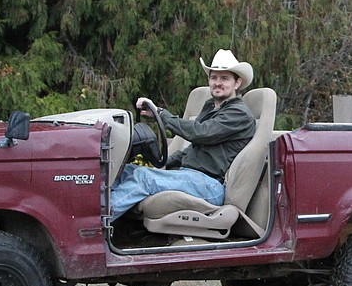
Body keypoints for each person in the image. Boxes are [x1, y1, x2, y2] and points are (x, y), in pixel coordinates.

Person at [108, 49, 257, 220]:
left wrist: (162, 114)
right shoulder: (211, 107)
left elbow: (200, 133)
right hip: (189, 176)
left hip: (209, 184)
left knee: (144, 178)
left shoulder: (238, 113)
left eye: (225, 78)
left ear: (237, 83)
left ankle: (94, 226)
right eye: (214, 77)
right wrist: (161, 164)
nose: (218, 83)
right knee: (126, 170)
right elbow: (194, 148)